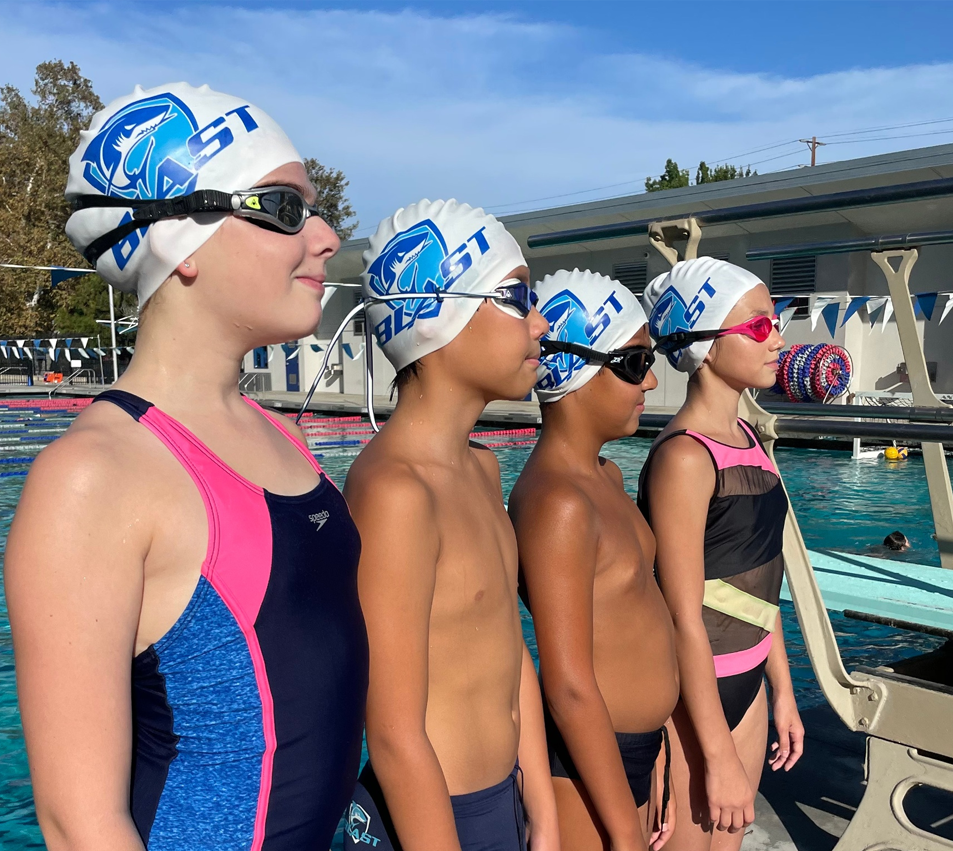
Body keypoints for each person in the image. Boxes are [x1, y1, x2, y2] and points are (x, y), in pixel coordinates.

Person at [5, 83, 368, 851]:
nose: (327, 235)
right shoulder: (95, 476)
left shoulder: (283, 435)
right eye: (285, 208)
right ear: (184, 241)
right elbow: (79, 824)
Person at [343, 199, 558, 851]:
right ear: (438, 316)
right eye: (516, 298)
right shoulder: (394, 492)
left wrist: (541, 805)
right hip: (429, 817)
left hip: (502, 797)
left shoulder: (481, 469)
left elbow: (507, 644)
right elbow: (391, 732)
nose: (540, 322)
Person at [637, 258, 804, 851]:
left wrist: (783, 690)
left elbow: (761, 579)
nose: (777, 339)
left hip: (749, 685)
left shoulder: (749, 439)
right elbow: (681, 615)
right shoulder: (685, 457)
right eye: (758, 326)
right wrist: (716, 754)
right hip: (693, 700)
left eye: (775, 323)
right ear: (705, 347)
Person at [509, 269, 679, 851]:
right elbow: (568, 686)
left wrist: (658, 747)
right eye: (634, 363)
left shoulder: (605, 476)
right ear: (573, 371)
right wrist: (623, 829)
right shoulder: (558, 503)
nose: (651, 379)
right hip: (586, 767)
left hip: (634, 749)